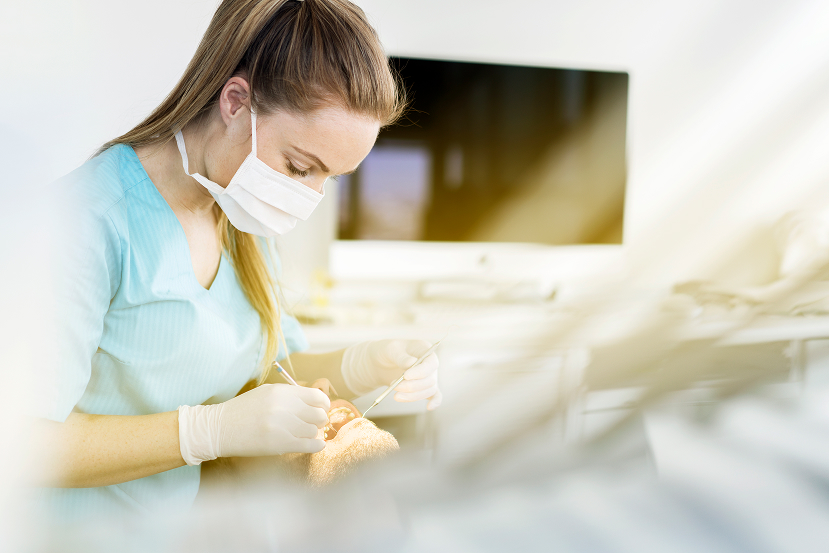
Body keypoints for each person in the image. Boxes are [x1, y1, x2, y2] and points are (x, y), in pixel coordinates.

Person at [31, 0, 441, 518]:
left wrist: (364, 364)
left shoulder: (239, 211)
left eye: (330, 179)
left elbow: (267, 374)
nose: (310, 197)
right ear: (234, 102)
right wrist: (206, 431)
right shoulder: (86, 221)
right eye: (299, 167)